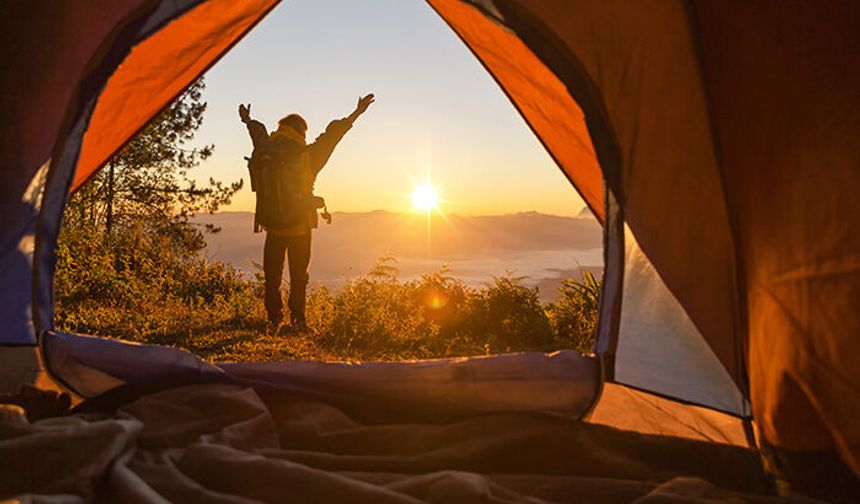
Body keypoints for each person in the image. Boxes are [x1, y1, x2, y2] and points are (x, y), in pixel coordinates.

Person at [239, 94, 375, 331]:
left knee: (272, 273)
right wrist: (357, 113)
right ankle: (298, 320)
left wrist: (247, 119)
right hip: (299, 225)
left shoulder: (266, 148)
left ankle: (273, 319)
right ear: (301, 131)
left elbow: (257, 132)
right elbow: (334, 135)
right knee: (298, 274)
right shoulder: (310, 155)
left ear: (281, 128)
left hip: (271, 224)